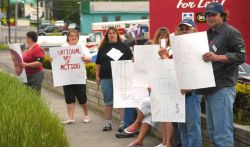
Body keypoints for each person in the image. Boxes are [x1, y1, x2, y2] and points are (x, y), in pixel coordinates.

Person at [199, 2, 246, 147]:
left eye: (213, 14)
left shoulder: (231, 32)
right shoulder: (208, 33)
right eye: (207, 15)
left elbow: (241, 56)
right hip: (209, 88)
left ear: (222, 15)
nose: (210, 18)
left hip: (223, 88)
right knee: (213, 133)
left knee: (222, 135)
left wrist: (217, 57)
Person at [166, 19, 202, 147]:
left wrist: (190, 86)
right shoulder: (177, 47)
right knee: (182, 128)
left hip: (192, 92)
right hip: (178, 92)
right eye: (182, 29)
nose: (184, 31)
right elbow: (171, 68)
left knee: (192, 128)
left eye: (187, 28)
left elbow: (201, 70)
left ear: (194, 30)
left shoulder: (199, 46)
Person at [95, 27, 133, 131]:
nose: (112, 35)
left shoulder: (124, 46)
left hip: (121, 78)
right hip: (105, 78)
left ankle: (123, 123)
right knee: (108, 101)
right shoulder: (103, 48)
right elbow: (98, 63)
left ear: (117, 35)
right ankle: (107, 123)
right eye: (110, 33)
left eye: (114, 33)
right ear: (107, 36)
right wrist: (97, 75)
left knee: (121, 101)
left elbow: (131, 60)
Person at [51, 29, 92, 124]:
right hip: (66, 77)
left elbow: (89, 58)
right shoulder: (63, 47)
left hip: (79, 76)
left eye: (75, 36)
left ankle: (86, 115)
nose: (73, 37)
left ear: (78, 38)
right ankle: (70, 117)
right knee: (69, 97)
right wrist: (52, 59)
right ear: (68, 37)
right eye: (71, 36)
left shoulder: (82, 47)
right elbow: (57, 59)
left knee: (82, 97)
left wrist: (85, 58)